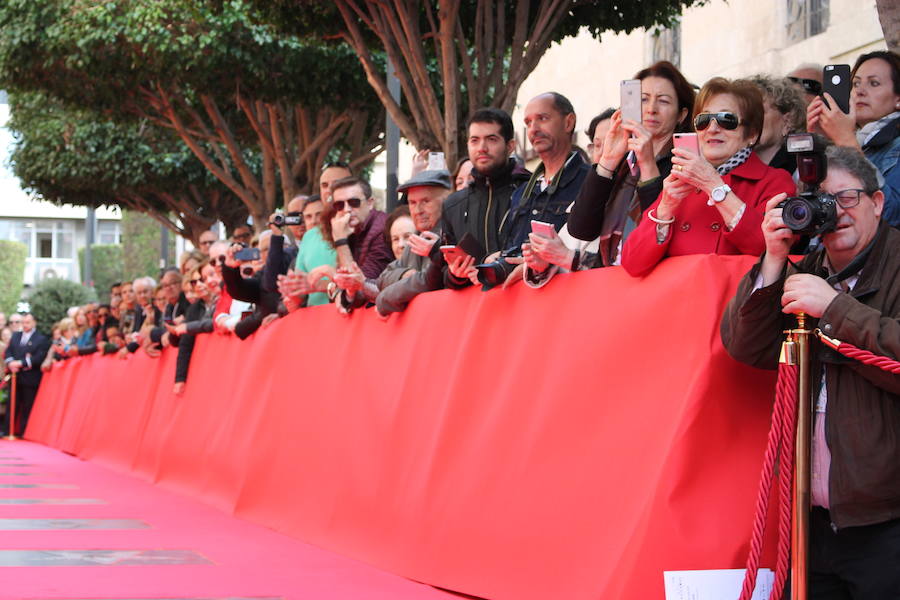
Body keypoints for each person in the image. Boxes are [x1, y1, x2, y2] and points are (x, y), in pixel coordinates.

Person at [721, 145, 900, 599]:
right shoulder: (811, 270)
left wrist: (836, 309)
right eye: (820, 202)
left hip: (887, 522)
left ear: (878, 203)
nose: (833, 213)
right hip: (811, 518)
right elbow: (747, 346)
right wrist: (774, 259)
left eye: (847, 198)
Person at [621, 77, 796, 277]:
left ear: (752, 134)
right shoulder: (680, 181)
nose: (712, 129)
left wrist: (714, 186)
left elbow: (769, 248)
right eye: (703, 121)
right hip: (677, 302)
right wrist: (665, 210)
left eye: (726, 120)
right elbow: (632, 262)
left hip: (732, 304)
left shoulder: (774, 181)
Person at [562, 61, 696, 275]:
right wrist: (607, 160)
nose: (651, 109)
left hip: (657, 284)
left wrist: (648, 164)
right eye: (643, 99)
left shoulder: (686, 161)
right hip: (611, 281)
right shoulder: (623, 160)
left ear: (681, 115)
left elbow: (660, 234)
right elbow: (581, 228)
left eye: (663, 101)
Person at [333, 170, 452, 316]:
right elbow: (382, 278)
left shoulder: (449, 234)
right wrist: (403, 275)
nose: (418, 210)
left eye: (425, 201)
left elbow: (427, 281)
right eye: (412, 203)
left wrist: (384, 299)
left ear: (446, 201)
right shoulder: (416, 239)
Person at [807, 50, 900, 227]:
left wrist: (846, 140)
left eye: (874, 83)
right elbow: (810, 213)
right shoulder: (848, 139)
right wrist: (818, 144)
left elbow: (891, 214)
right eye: (856, 84)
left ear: (898, 99)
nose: (860, 91)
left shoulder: (893, 146)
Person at [441, 107, 531, 288]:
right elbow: (441, 274)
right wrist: (456, 274)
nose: (482, 148)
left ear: (510, 146)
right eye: (475, 140)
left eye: (491, 139)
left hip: (528, 306)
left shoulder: (533, 192)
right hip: (474, 312)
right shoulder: (453, 205)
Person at [323, 176, 392, 280]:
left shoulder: (382, 230)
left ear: (370, 203)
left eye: (354, 202)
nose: (347, 209)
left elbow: (358, 285)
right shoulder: (350, 229)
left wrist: (340, 241)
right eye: (339, 205)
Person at [749, 74, 807, 174]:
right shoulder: (729, 166)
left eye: (758, 111)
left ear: (788, 120)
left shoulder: (804, 166)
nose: (748, 119)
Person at [3, 313, 50, 437]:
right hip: (14, 376)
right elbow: (8, 351)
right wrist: (11, 363)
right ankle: (8, 430)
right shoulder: (16, 336)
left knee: (28, 406)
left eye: (27, 322)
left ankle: (25, 432)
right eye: (23, 322)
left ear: (34, 323)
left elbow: (39, 357)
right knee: (12, 404)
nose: (25, 325)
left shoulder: (41, 339)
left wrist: (21, 363)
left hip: (30, 378)